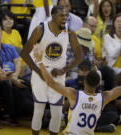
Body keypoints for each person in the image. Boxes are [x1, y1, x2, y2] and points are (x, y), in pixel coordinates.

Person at [33, 39, 121, 135]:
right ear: (98, 84)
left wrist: (39, 62)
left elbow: (50, 82)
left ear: (84, 82)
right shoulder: (103, 97)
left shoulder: (75, 94)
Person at [21, 5, 84, 135]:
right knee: (39, 110)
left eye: (66, 16)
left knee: (57, 113)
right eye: (61, 16)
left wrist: (63, 70)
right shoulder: (40, 29)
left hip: (58, 75)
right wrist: (39, 72)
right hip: (40, 72)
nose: (64, 19)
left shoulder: (69, 32)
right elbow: (24, 53)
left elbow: (80, 56)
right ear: (53, 16)